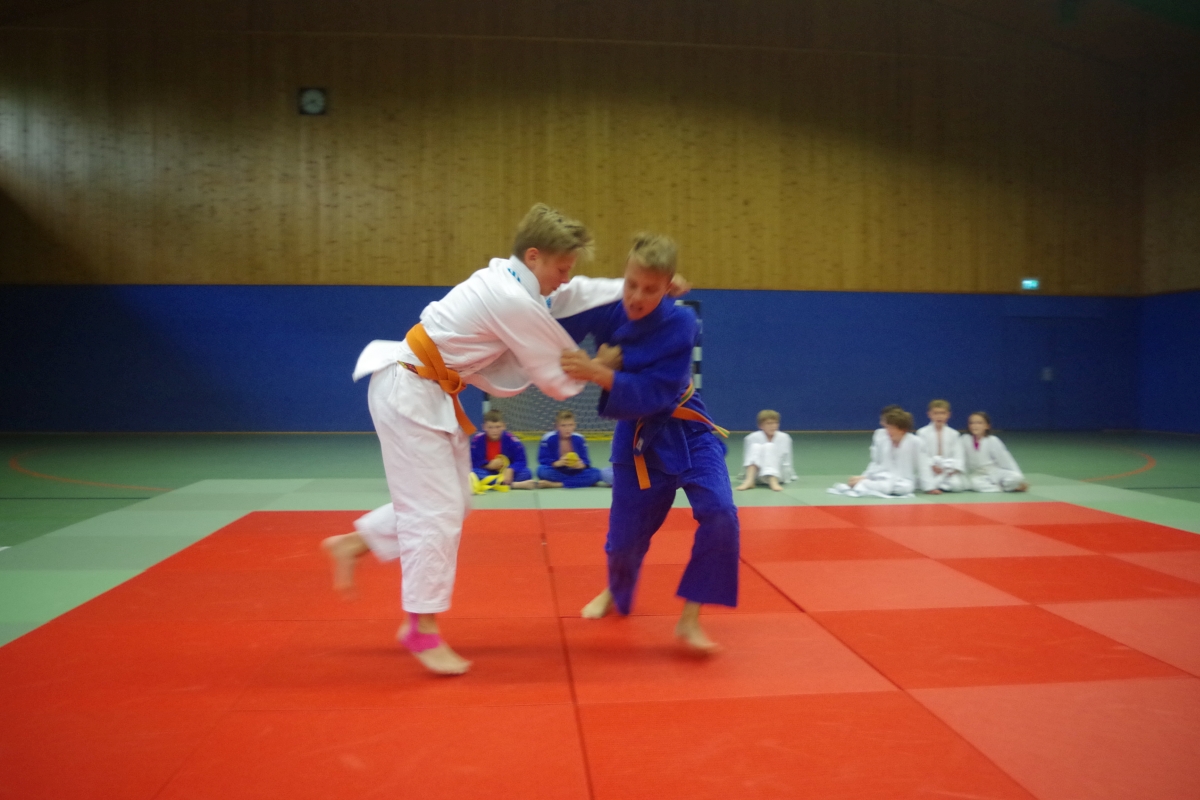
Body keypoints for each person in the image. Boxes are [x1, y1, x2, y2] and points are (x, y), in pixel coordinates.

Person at [321, 203, 624, 676]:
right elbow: (552, 376)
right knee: (434, 513)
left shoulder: (516, 280)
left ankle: (354, 544)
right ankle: (421, 628)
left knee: (455, 501)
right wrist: (599, 368)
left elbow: (575, 292)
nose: (565, 278)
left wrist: (637, 286)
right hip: (409, 391)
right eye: (561, 268)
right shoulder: (510, 297)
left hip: (426, 391)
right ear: (534, 256)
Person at [558, 233, 739, 653]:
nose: (637, 297)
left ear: (668, 286)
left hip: (689, 429)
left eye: (651, 289)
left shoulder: (682, 323)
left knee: (721, 514)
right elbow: (558, 321)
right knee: (624, 542)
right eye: (631, 285)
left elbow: (657, 392)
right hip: (637, 437)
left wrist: (601, 369)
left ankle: (690, 618)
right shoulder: (610, 306)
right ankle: (615, 591)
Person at [829, 408, 932, 497]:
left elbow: (923, 465)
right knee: (857, 480)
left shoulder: (916, 442)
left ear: (902, 429)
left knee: (906, 488)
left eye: (891, 428)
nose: (887, 431)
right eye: (887, 427)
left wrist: (929, 487)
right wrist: (865, 476)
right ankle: (864, 483)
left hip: (903, 480)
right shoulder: (884, 441)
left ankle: (864, 484)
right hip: (882, 476)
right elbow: (876, 462)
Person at [537, 409, 612, 488]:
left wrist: (581, 465)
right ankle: (579, 481)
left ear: (574, 425)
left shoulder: (579, 439)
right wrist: (557, 463)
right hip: (557, 471)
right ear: (557, 426)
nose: (567, 429)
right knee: (541, 471)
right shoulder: (548, 438)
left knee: (596, 473)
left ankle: (556, 484)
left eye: (570, 425)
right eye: (563, 425)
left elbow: (586, 461)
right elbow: (543, 460)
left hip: (575, 471)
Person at [470, 409, 538, 491]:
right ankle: (512, 485)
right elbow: (473, 461)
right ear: (484, 427)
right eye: (490, 427)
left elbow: (521, 460)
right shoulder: (478, 440)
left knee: (527, 473)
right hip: (487, 471)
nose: (494, 431)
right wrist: (488, 465)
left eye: (498, 427)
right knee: (473, 472)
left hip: (506, 473)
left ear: (504, 426)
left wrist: (511, 469)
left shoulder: (512, 440)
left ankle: (497, 483)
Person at [963, 411, 1029, 492]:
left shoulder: (993, 440)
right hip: (977, 475)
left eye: (979, 423)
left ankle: (1007, 485)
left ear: (987, 426)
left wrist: (1019, 478)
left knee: (1017, 477)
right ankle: (1001, 488)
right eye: (971, 423)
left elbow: (1006, 460)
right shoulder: (964, 439)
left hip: (994, 472)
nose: (974, 426)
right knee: (974, 484)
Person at [736, 409, 795, 491]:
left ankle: (773, 481)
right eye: (769, 423)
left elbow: (786, 461)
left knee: (769, 446)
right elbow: (748, 459)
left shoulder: (784, 437)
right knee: (755, 446)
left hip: (779, 474)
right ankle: (749, 481)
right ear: (761, 426)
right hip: (756, 474)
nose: (773, 426)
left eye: (775, 423)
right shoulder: (751, 437)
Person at [915, 399, 966, 493]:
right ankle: (935, 485)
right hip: (929, 469)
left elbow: (959, 456)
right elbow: (921, 456)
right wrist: (932, 465)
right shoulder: (922, 433)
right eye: (936, 413)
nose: (939, 416)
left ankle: (939, 484)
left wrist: (952, 470)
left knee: (957, 486)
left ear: (948, 415)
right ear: (929, 414)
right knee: (924, 482)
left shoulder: (954, 434)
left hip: (947, 470)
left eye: (942, 413)